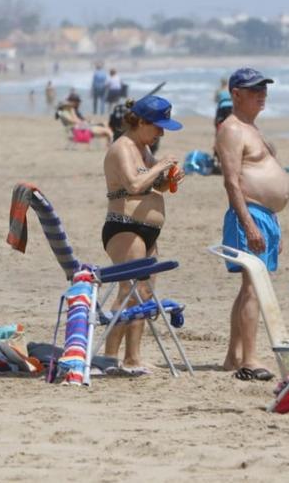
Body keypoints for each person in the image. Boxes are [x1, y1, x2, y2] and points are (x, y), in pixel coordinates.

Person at [214, 68, 289, 382]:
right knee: (252, 287)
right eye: (254, 89)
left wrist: (275, 223)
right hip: (249, 215)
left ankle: (234, 355)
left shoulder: (251, 127)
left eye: (264, 88)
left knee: (251, 286)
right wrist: (249, 224)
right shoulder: (231, 129)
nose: (262, 94)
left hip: (264, 216)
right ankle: (249, 358)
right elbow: (231, 182)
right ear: (236, 94)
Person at [101, 95, 184, 376]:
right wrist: (160, 166)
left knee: (145, 294)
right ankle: (109, 357)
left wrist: (167, 178)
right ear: (141, 122)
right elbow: (134, 184)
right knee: (129, 292)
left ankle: (133, 358)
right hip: (124, 227)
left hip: (148, 231)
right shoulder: (122, 147)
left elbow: (152, 185)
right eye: (158, 126)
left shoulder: (143, 148)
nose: (161, 133)